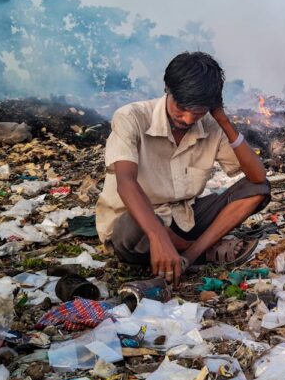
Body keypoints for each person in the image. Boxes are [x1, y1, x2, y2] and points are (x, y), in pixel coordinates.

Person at [95, 52, 270, 287]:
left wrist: (223, 121)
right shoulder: (131, 117)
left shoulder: (210, 124)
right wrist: (157, 235)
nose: (187, 119)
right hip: (138, 227)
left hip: (184, 219)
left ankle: (192, 254)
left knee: (257, 188)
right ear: (168, 89)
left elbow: (258, 177)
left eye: (197, 112)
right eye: (181, 108)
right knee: (133, 224)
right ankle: (198, 249)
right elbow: (126, 183)